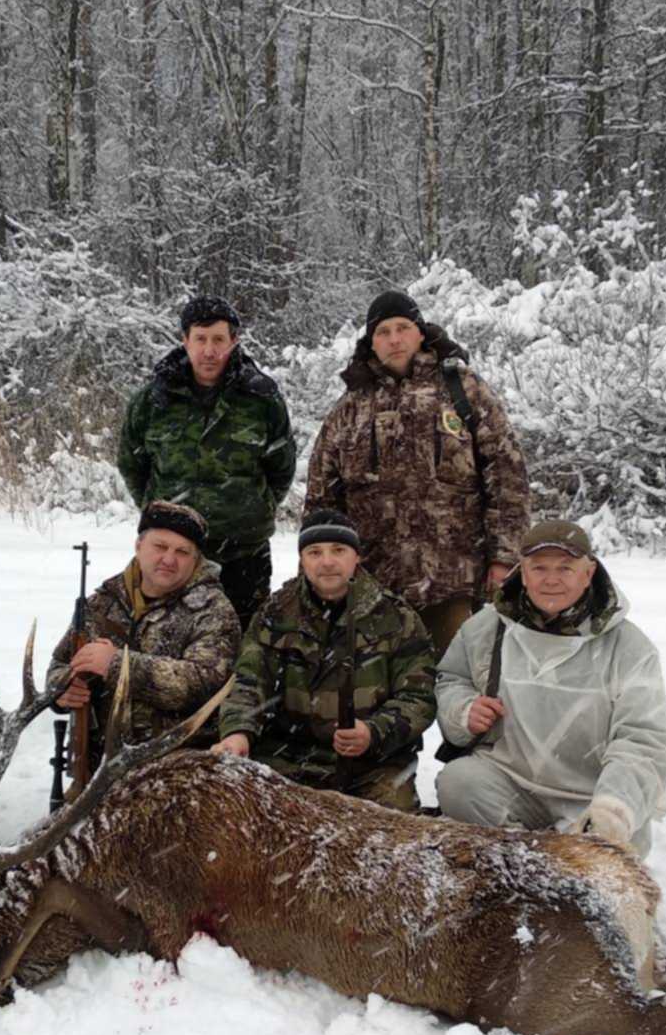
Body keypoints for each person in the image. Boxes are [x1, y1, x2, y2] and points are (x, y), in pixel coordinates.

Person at [304, 289, 535, 659]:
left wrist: (504, 558)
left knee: (462, 694)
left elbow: (507, 477)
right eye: (383, 332)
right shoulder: (348, 410)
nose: (394, 339)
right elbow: (321, 501)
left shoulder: (464, 392)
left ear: (420, 332)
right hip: (373, 588)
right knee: (378, 702)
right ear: (371, 343)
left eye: (403, 327)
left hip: (456, 581)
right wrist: (320, 571)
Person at [433, 520, 666, 857]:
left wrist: (613, 809)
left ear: (588, 572)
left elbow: (644, 739)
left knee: (616, 848)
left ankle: (580, 850)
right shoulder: (486, 628)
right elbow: (452, 679)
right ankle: (524, 862)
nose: (551, 579)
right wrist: (463, 710)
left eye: (565, 568)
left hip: (588, 795)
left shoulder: (629, 647)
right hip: (511, 783)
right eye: (539, 567)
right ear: (523, 572)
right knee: (458, 783)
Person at [213, 510, 436, 811]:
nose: (327, 561)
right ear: (302, 559)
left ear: (356, 557)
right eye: (315, 552)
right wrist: (238, 732)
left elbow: (418, 698)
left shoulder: (397, 618)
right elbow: (249, 682)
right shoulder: (275, 614)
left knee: (393, 831)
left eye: (338, 550)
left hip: (372, 764)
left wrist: (373, 732)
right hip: (285, 757)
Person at [117, 295, 296, 624]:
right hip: (172, 555)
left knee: (243, 650)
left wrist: (251, 510)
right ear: (185, 340)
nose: (209, 351)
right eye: (200, 339)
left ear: (234, 341)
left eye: (218, 339)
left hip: (244, 554)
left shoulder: (262, 399)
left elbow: (281, 468)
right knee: (166, 647)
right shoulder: (153, 400)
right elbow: (132, 462)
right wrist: (160, 513)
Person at [47, 501, 241, 773]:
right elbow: (60, 663)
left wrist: (117, 665)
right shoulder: (101, 604)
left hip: (177, 769)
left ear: (196, 559)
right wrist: (63, 689)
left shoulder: (213, 610)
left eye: (182, 551)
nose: (169, 559)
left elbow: (203, 683)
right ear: (139, 546)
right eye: (160, 547)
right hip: (100, 768)